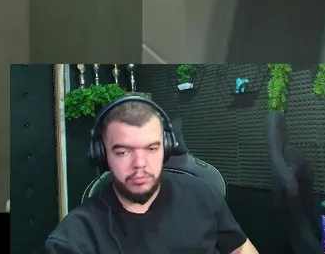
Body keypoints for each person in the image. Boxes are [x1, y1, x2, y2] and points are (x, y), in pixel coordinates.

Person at [45, 97, 259, 253]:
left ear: (166, 147)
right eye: (123, 152)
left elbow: (240, 249)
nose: (140, 164)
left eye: (151, 148)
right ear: (102, 155)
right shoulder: (76, 238)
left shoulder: (202, 193)